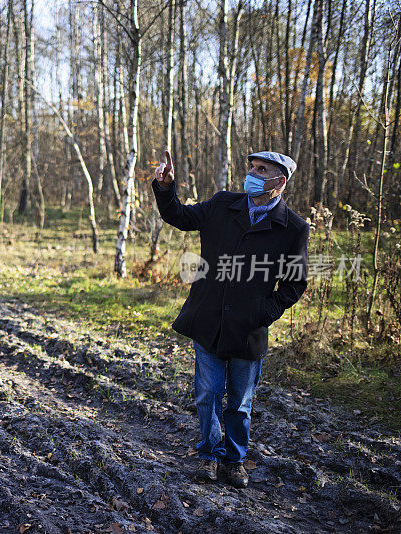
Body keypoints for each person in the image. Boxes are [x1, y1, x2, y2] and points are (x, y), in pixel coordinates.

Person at [152, 150, 308, 488]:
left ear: (279, 182)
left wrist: (264, 313)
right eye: (251, 167)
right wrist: (165, 189)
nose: (251, 173)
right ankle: (209, 454)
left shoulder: (293, 227)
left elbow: (295, 283)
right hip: (207, 320)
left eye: (261, 169)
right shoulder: (223, 204)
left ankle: (234, 460)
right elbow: (180, 216)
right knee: (207, 395)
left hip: (247, 331)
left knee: (239, 403)